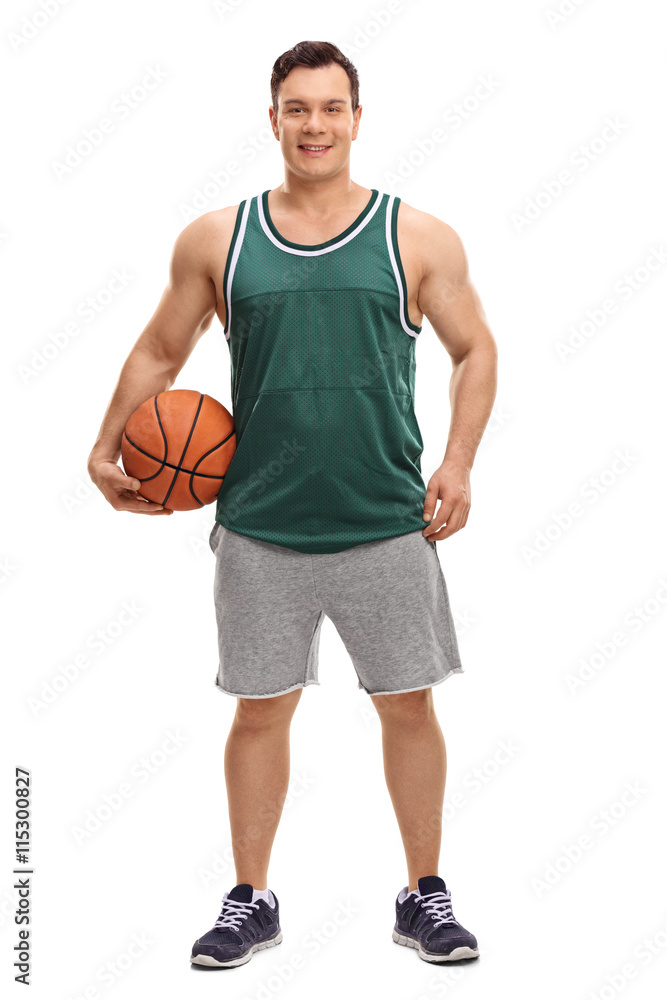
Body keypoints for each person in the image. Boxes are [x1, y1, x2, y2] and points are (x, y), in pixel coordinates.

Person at [87, 40, 498, 969]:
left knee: (406, 704)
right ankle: (251, 899)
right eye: (297, 109)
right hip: (260, 524)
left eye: (332, 108)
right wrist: (106, 444)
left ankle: (423, 894)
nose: (315, 125)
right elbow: (161, 348)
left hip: (386, 518)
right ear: (271, 118)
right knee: (261, 710)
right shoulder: (218, 239)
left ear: (358, 117)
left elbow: (477, 351)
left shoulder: (415, 236)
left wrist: (459, 462)